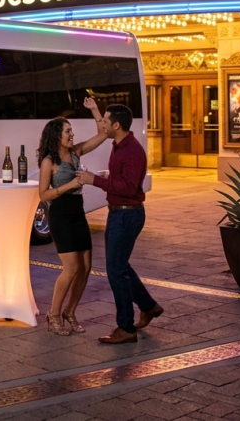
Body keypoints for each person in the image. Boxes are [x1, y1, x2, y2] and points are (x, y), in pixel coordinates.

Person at [77, 103, 163, 345]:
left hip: (127, 214)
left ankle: (126, 328)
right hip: (118, 213)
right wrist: (107, 178)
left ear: (116, 125)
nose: (102, 125)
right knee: (120, 265)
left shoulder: (132, 151)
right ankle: (148, 306)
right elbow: (123, 180)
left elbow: (127, 188)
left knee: (116, 271)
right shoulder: (118, 144)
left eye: (105, 120)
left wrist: (95, 180)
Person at [36, 97, 107, 335]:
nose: (72, 134)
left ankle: (70, 311)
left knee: (85, 267)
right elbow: (43, 194)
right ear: (57, 135)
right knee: (71, 267)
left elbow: (103, 135)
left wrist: (94, 109)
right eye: (67, 131)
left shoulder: (76, 153)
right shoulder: (49, 162)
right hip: (61, 215)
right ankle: (53, 314)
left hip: (78, 212)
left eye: (72, 130)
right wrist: (69, 185)